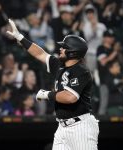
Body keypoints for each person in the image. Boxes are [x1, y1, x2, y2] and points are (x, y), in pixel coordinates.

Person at [7, 19, 99, 150]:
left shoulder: (81, 71)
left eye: (64, 47)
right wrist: (21, 38)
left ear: (73, 52)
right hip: (62, 127)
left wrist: (47, 94)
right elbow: (40, 53)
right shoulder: (59, 65)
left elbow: (70, 97)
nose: (60, 49)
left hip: (81, 127)